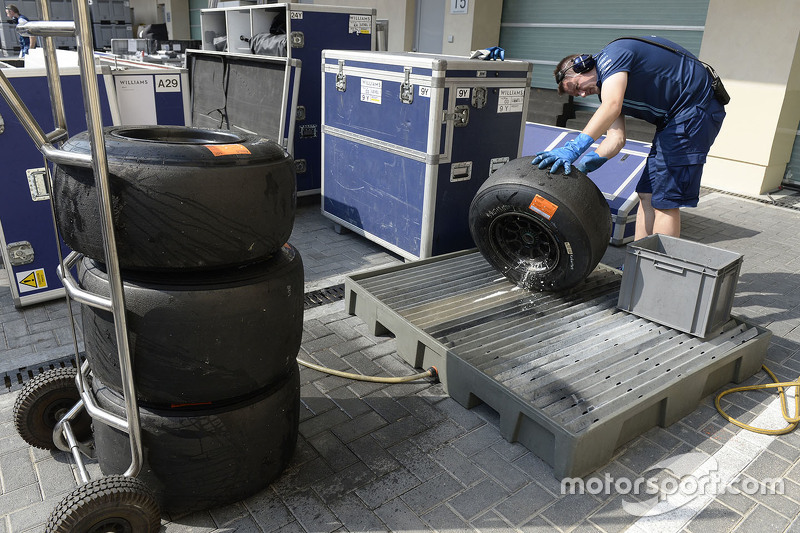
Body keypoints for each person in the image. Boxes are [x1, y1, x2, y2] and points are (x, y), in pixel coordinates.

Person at [532, 36, 726, 240]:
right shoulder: (609, 88)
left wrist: (574, 148)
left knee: (665, 201)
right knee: (646, 195)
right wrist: (587, 164)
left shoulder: (613, 55)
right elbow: (616, 139)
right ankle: (638, 263)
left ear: (583, 65)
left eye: (577, 86)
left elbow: (612, 106)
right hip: (674, 120)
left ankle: (659, 268)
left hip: (695, 110)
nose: (581, 95)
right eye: (576, 94)